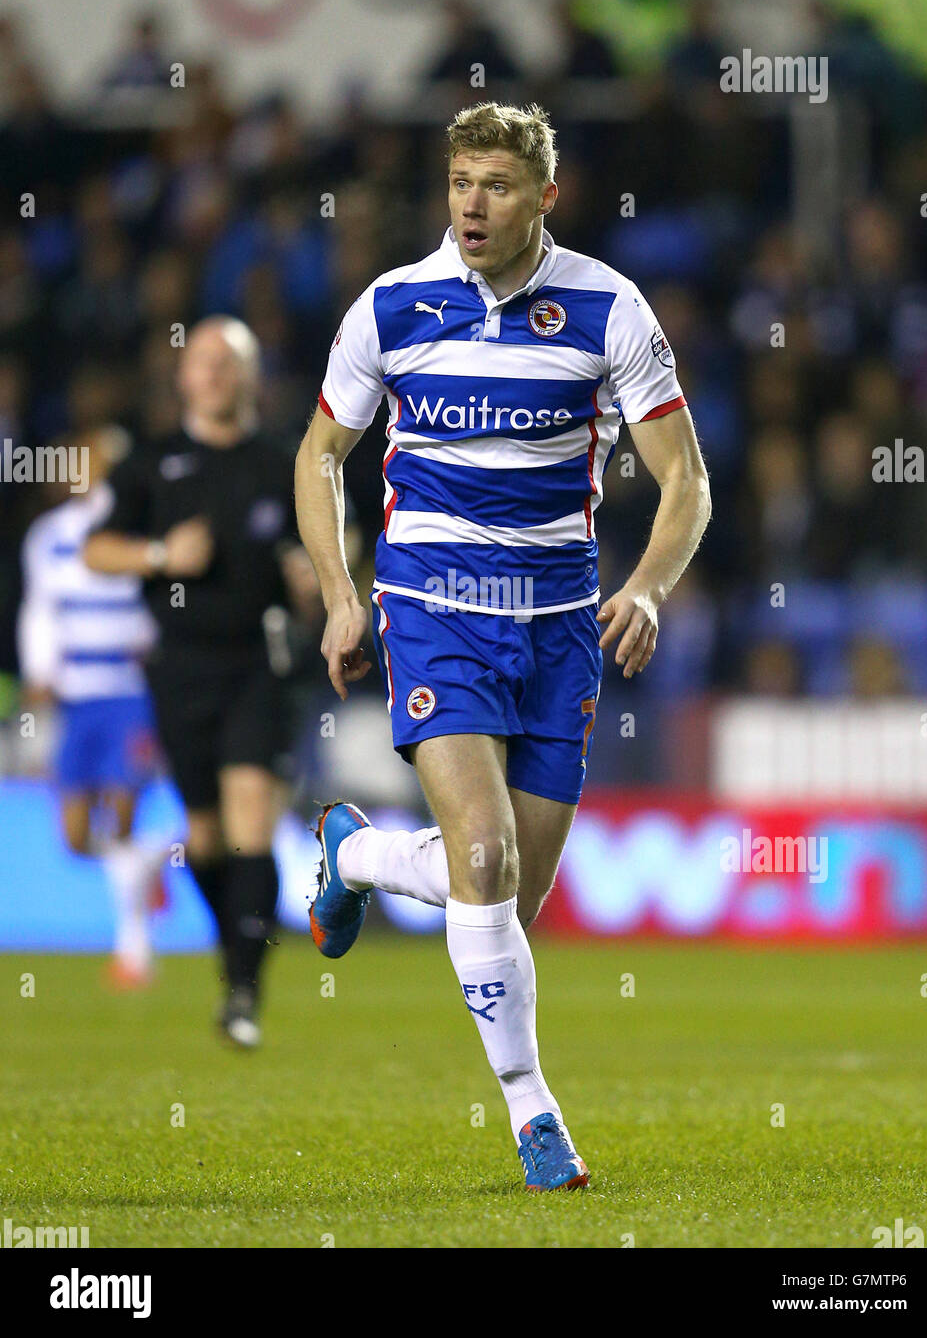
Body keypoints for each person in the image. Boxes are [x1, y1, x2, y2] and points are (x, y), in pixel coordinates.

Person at [295, 102, 711, 1190]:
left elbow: (687, 483)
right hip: (433, 606)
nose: (472, 204)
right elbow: (319, 455)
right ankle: (535, 1114)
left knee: (506, 906)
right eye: (459, 183)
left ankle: (362, 855)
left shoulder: (608, 308)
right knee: (484, 859)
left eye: (496, 185)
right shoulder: (390, 308)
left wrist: (651, 590)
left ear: (544, 197)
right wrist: (342, 592)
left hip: (560, 623)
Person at [85, 317, 317, 1047]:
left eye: (230, 362)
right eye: (203, 361)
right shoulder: (152, 464)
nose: (214, 373)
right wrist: (159, 552)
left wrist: (312, 580)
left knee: (251, 816)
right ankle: (235, 953)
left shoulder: (285, 464)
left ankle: (244, 991)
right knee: (205, 838)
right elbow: (96, 549)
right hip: (179, 670)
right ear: (183, 378)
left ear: (251, 377)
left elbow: (330, 549)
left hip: (260, 663)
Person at [17, 428, 165, 987]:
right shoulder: (49, 535)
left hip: (128, 694)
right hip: (76, 698)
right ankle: (144, 863)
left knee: (122, 812)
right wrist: (39, 671)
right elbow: (39, 609)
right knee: (76, 835)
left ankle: (134, 951)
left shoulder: (136, 526)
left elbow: (159, 604)